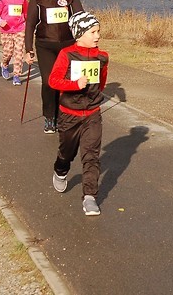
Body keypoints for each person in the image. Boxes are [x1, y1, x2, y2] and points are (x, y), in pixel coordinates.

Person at [48, 11, 109, 216]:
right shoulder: (67, 54)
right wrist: (75, 84)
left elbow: (101, 82)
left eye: (98, 31)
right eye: (93, 32)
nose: (97, 36)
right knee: (67, 152)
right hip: (69, 114)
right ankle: (60, 170)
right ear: (79, 34)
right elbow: (53, 81)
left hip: (92, 113)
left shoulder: (102, 56)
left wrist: (93, 96)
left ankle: (90, 197)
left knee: (91, 155)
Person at [24, 0, 85, 134]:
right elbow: (30, 24)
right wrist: (28, 49)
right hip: (45, 45)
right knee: (49, 82)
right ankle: (50, 117)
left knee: (67, 82)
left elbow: (80, 19)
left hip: (67, 45)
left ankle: (65, 115)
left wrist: (85, 41)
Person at [0, 0, 28, 86]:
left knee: (19, 52)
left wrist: (28, 24)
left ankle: (16, 75)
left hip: (20, 29)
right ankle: (5, 64)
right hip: (6, 30)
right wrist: (0, 21)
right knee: (8, 53)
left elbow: (26, 13)